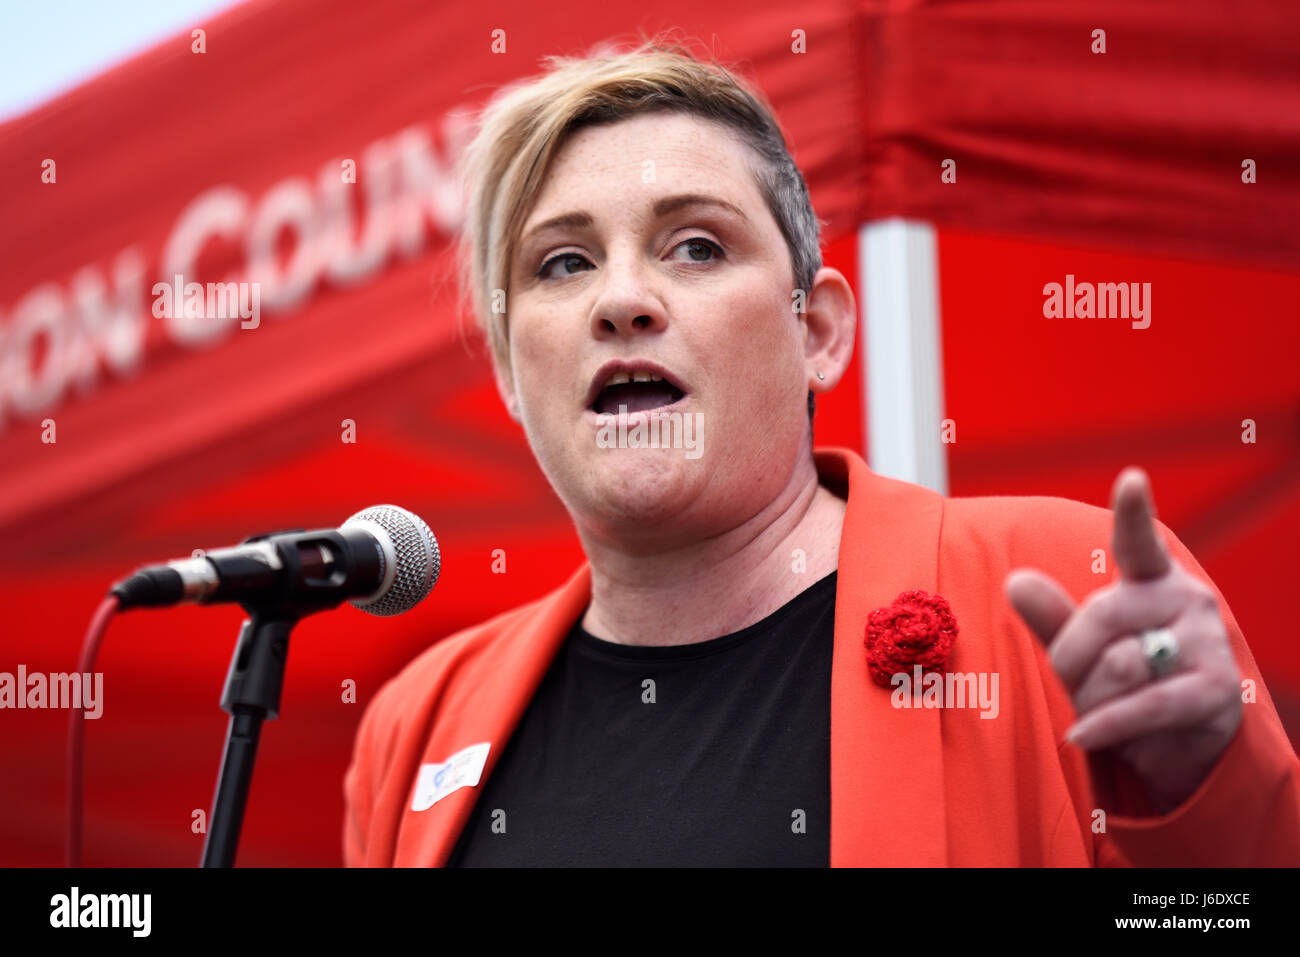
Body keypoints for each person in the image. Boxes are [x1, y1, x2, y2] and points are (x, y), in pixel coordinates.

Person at [343, 39, 1300, 866]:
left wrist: (1202, 798)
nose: (620, 299)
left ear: (821, 332)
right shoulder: (416, 725)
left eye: (697, 247)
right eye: (563, 262)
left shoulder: (1060, 590)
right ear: (511, 371)